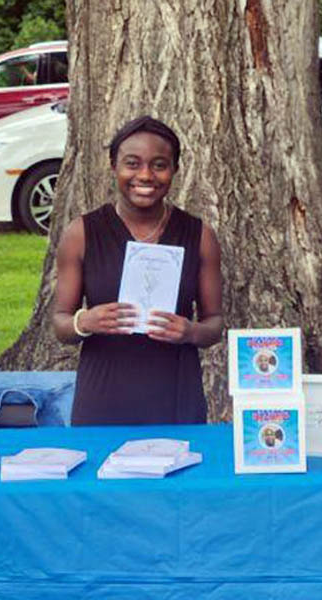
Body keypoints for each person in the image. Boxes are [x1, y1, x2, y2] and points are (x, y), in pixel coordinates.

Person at [53, 116, 223, 425]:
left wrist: (190, 331)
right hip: (103, 396)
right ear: (113, 166)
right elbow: (60, 323)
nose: (145, 175)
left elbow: (214, 324)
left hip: (175, 393)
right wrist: (85, 321)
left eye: (159, 165)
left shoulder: (199, 235)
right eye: (132, 163)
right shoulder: (82, 233)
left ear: (175, 169)